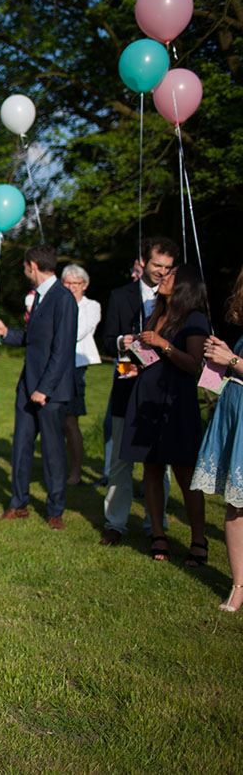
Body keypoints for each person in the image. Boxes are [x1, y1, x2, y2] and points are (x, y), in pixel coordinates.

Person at [118, 265, 210, 564]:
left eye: (170, 276)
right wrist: (137, 359)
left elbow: (193, 364)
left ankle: (198, 540)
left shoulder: (195, 319)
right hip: (148, 397)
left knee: (184, 472)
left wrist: (163, 344)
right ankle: (158, 534)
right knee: (152, 468)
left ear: (184, 286)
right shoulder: (156, 314)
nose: (163, 278)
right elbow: (152, 356)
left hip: (176, 401)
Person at [0, 244, 79, 529]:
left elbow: (62, 349)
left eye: (25, 267)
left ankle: (55, 510)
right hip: (27, 385)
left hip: (49, 390)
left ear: (32, 266)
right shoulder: (39, 297)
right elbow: (34, 340)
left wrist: (45, 388)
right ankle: (19, 503)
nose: (24, 271)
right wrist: (5, 332)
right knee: (21, 446)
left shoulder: (63, 299)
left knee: (52, 450)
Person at [98, 237, 178, 545]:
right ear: (142, 262)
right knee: (121, 457)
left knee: (160, 460)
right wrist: (123, 341)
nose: (161, 272)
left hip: (160, 387)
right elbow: (106, 340)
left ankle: (156, 523)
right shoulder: (120, 296)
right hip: (126, 379)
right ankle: (115, 522)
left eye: (168, 267)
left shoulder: (176, 297)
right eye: (157, 265)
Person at [191, 267, 243, 610]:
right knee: (236, 504)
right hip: (235, 412)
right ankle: (239, 586)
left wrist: (233, 360)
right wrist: (221, 356)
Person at [61, 264, 102, 486]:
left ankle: (75, 471)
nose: (71, 287)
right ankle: (58, 467)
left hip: (76, 364)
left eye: (75, 284)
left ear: (84, 285)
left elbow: (77, 332)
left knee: (70, 419)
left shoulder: (92, 306)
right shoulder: (57, 302)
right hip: (57, 364)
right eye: (66, 283)